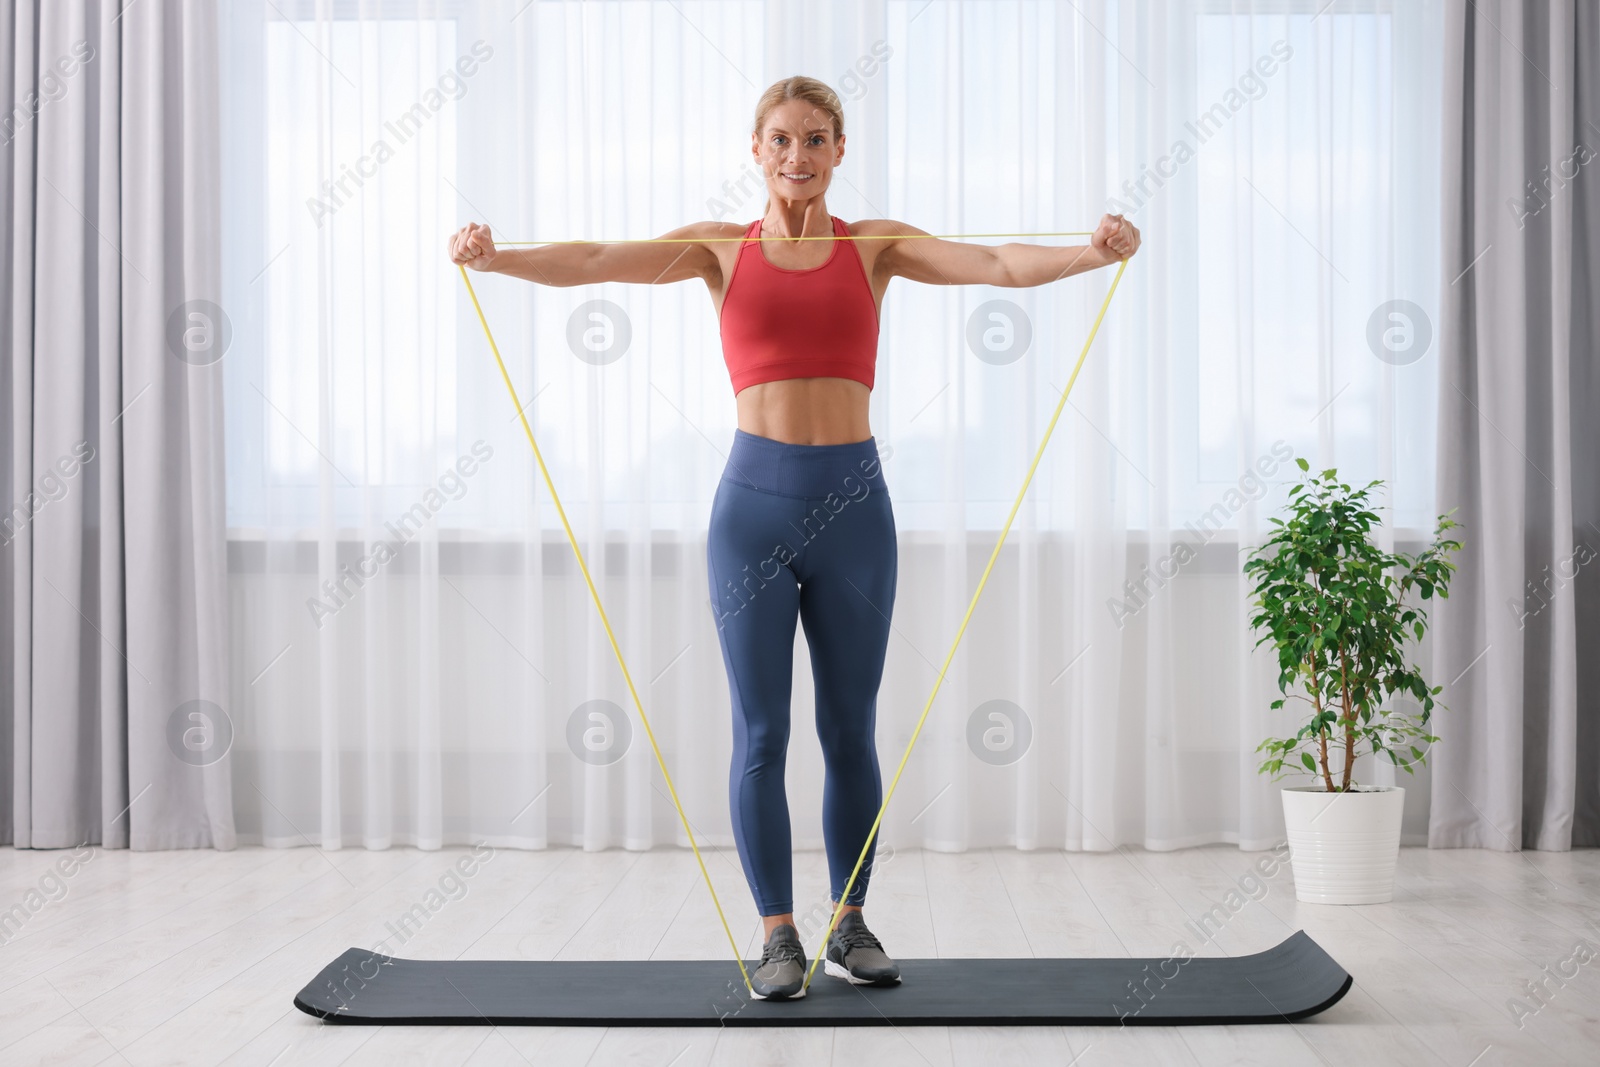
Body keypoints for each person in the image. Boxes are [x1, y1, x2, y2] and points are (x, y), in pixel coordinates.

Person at [448, 75, 1140, 1001]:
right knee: (761, 731)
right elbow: (594, 259)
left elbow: (998, 265)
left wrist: (1093, 255)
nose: (797, 157)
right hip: (752, 514)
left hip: (856, 510)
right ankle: (778, 935)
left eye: (815, 140)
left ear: (839, 151)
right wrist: (497, 260)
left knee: (850, 728)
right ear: (756, 148)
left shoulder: (878, 248)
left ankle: (849, 923)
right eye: (780, 139)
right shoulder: (717, 251)